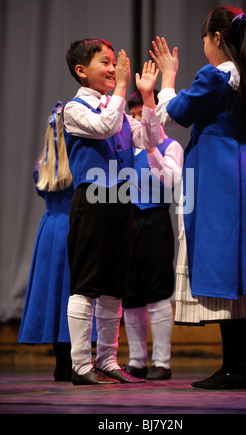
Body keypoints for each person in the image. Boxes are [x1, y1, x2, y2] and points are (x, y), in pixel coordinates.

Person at [150, 5, 246, 390]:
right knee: (239, 264)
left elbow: (173, 114)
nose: (204, 48)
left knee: (223, 261)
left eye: (204, 40)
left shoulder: (214, 75)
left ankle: (236, 366)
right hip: (242, 168)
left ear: (215, 39)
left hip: (217, 173)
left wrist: (168, 76)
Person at [62, 38, 165, 385]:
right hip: (92, 201)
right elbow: (104, 126)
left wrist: (148, 97)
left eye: (113, 63)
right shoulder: (74, 109)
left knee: (114, 288)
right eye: (104, 63)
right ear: (81, 71)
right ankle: (80, 365)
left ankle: (107, 360)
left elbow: (151, 139)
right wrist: (122, 86)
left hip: (122, 200)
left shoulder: (117, 108)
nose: (112, 69)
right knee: (87, 283)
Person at [18, 102, 97, 382]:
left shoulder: (43, 169)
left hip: (49, 231)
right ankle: (79, 360)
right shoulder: (79, 167)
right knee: (73, 292)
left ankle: (61, 363)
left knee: (54, 294)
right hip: (74, 227)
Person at [123, 90, 183, 380]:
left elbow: (171, 180)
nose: (137, 121)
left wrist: (151, 147)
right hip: (127, 223)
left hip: (155, 220)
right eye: (132, 115)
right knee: (130, 294)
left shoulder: (171, 146)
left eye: (142, 114)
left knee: (157, 292)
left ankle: (162, 362)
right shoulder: (124, 150)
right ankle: (136, 360)